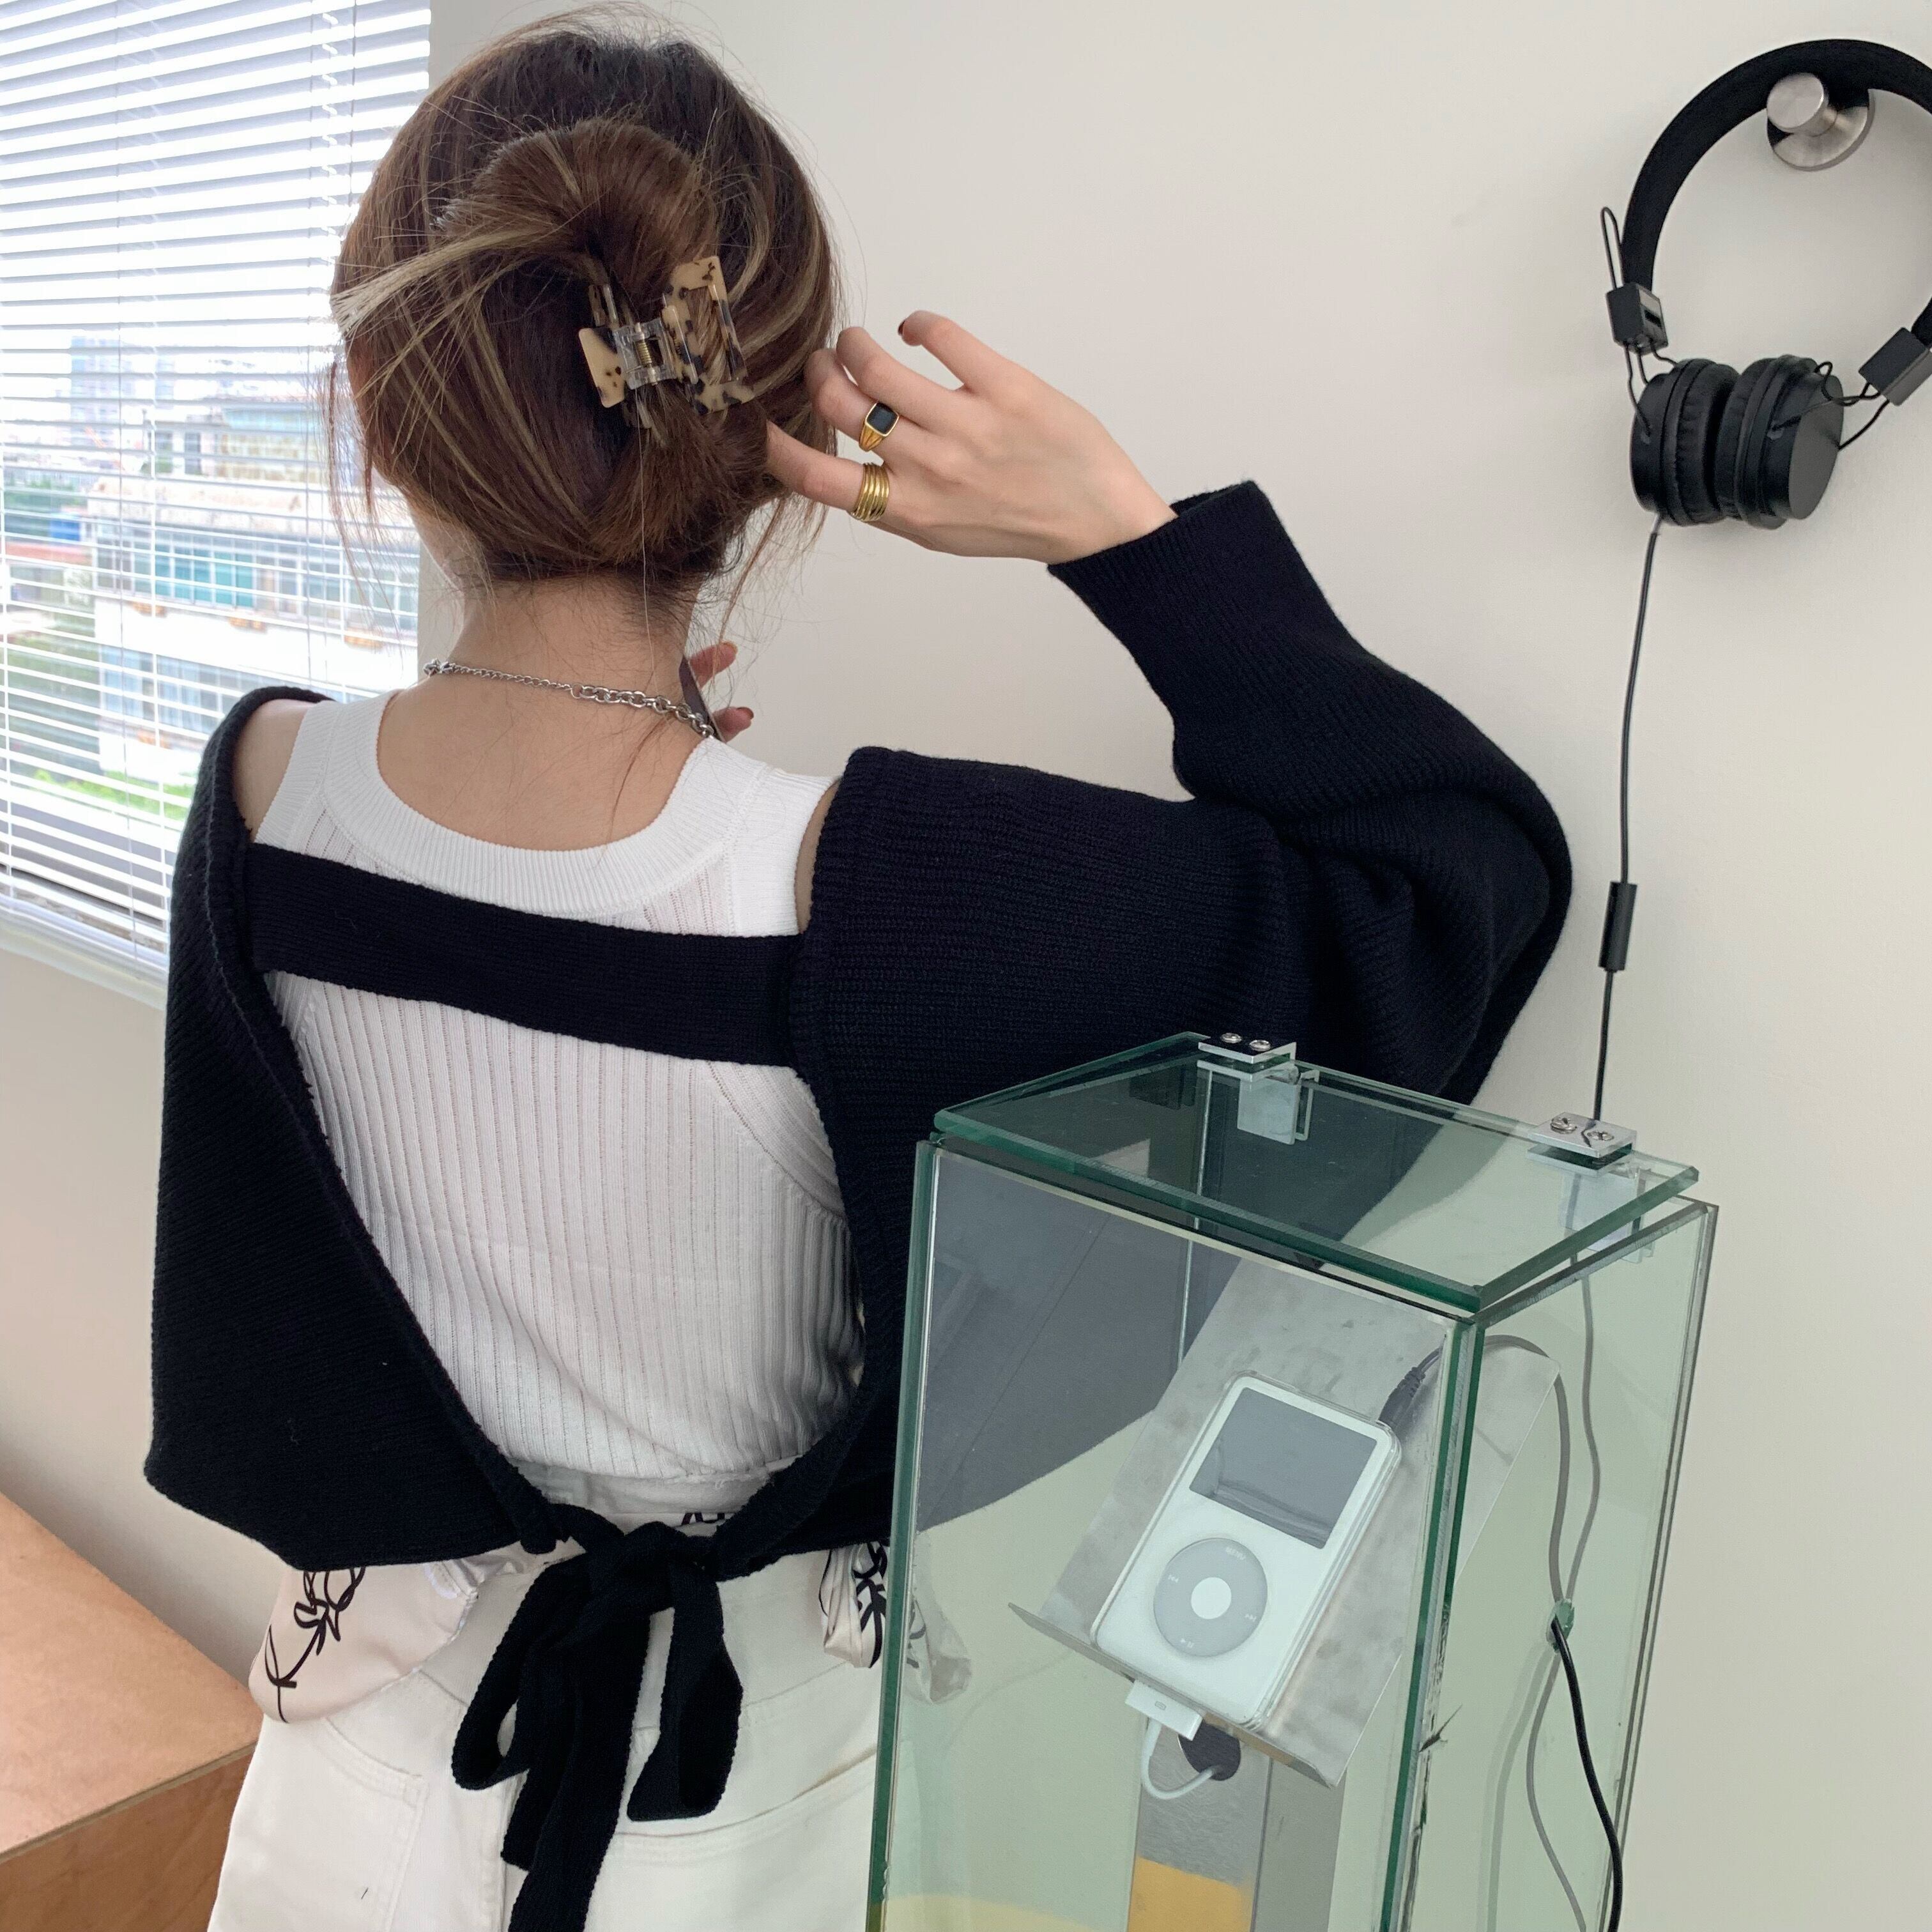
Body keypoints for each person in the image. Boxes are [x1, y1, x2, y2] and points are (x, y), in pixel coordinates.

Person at [150, 13, 1570, 1932]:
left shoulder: (257, 786)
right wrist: (1132, 541)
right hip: (750, 1793)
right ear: (765, 441)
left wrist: (634, 782)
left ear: (387, 416)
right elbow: (1450, 892)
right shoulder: (903, 894)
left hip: (355, 1756)